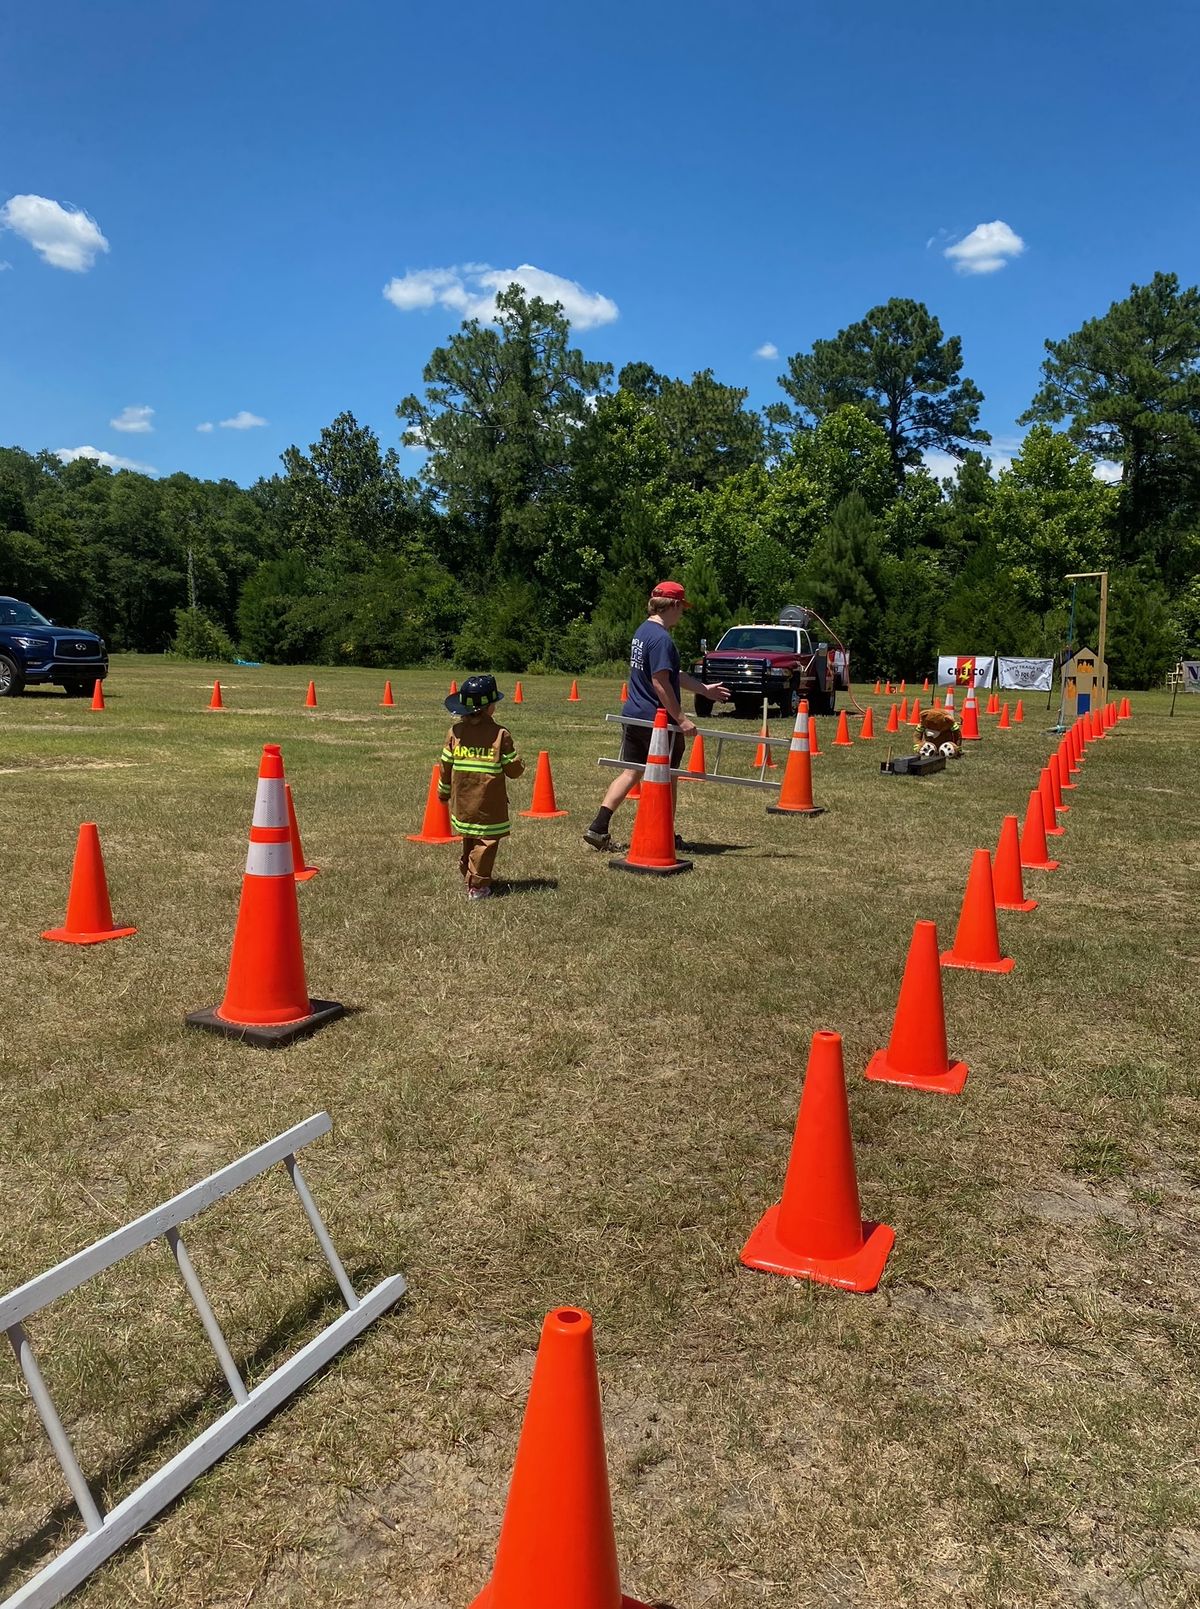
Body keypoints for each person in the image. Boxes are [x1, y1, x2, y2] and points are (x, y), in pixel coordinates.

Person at [583, 580, 730, 850]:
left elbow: (673, 674)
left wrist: (704, 689)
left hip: (634, 713)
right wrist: (682, 718)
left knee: (631, 771)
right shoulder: (662, 639)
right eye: (682, 608)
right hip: (658, 721)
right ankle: (665, 833)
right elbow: (661, 682)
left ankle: (598, 827)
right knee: (669, 776)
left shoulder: (643, 632)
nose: (682, 614)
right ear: (672, 606)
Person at [438, 675, 525, 899]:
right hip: (488, 804)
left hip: (463, 802)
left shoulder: (455, 733)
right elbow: (513, 770)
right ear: (489, 708)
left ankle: (467, 870)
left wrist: (443, 790)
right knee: (486, 841)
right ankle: (477, 886)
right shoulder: (500, 735)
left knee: (469, 836)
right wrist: (520, 763)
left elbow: (445, 765)